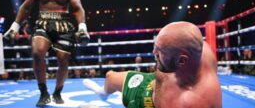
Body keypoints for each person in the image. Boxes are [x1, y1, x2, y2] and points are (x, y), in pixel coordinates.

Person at [4, 0, 90, 107]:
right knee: (37, 53)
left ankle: (57, 92)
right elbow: (25, 7)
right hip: (43, 23)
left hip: (63, 25)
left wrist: (82, 28)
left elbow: (78, 8)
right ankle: (43, 92)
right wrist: (14, 27)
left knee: (63, 59)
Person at [83, 21, 222, 108]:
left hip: (146, 102)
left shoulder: (186, 101)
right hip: (154, 82)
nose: (153, 52)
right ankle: (102, 93)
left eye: (160, 51)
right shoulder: (199, 49)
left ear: (181, 60)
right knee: (110, 77)